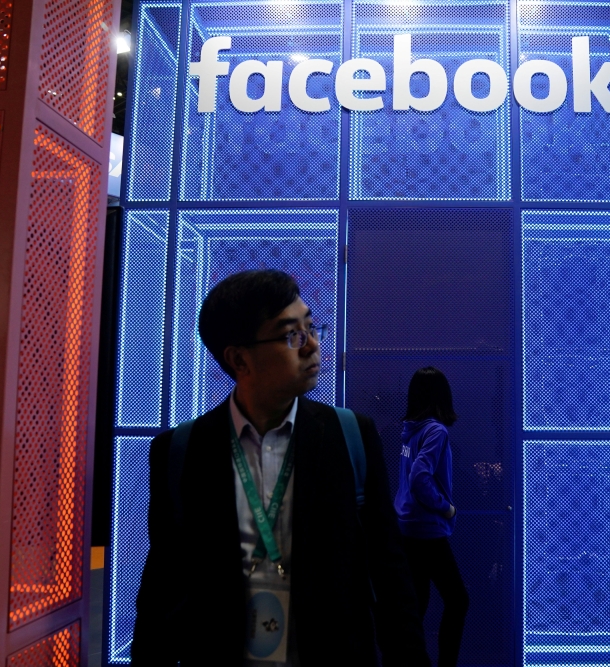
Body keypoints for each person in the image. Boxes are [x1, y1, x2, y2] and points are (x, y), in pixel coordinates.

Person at [130, 269, 429, 666]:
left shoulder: (351, 436)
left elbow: (390, 576)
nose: (312, 345)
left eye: (310, 326)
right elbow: (163, 587)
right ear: (239, 359)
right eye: (292, 335)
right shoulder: (181, 451)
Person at [394, 368, 470, 667]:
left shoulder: (410, 431)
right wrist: (446, 507)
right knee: (458, 600)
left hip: (407, 527)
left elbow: (408, 477)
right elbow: (419, 477)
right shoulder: (436, 431)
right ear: (443, 395)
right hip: (427, 529)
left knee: (419, 604)